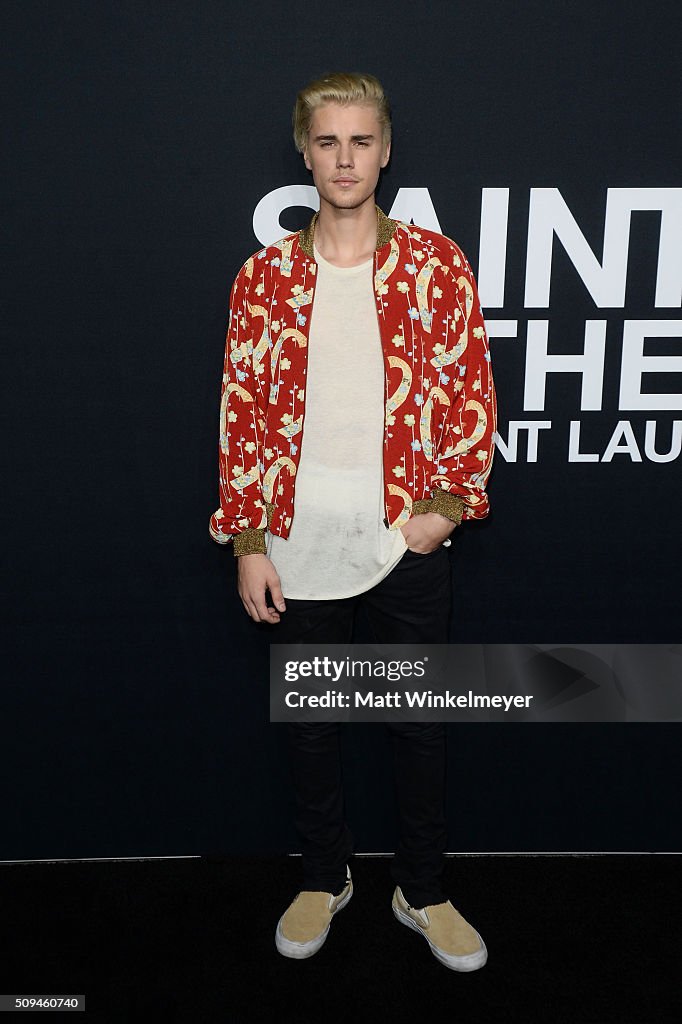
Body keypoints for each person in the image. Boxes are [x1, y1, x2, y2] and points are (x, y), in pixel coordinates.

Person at [209, 72, 496, 971]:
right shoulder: (263, 279)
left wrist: (442, 511)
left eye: (361, 141)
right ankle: (324, 875)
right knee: (312, 724)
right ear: (304, 152)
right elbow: (242, 410)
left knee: (417, 725)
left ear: (384, 150)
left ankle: (424, 887)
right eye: (327, 142)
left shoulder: (435, 264)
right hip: (296, 546)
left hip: (404, 540)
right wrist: (250, 541)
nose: (344, 158)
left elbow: (469, 392)